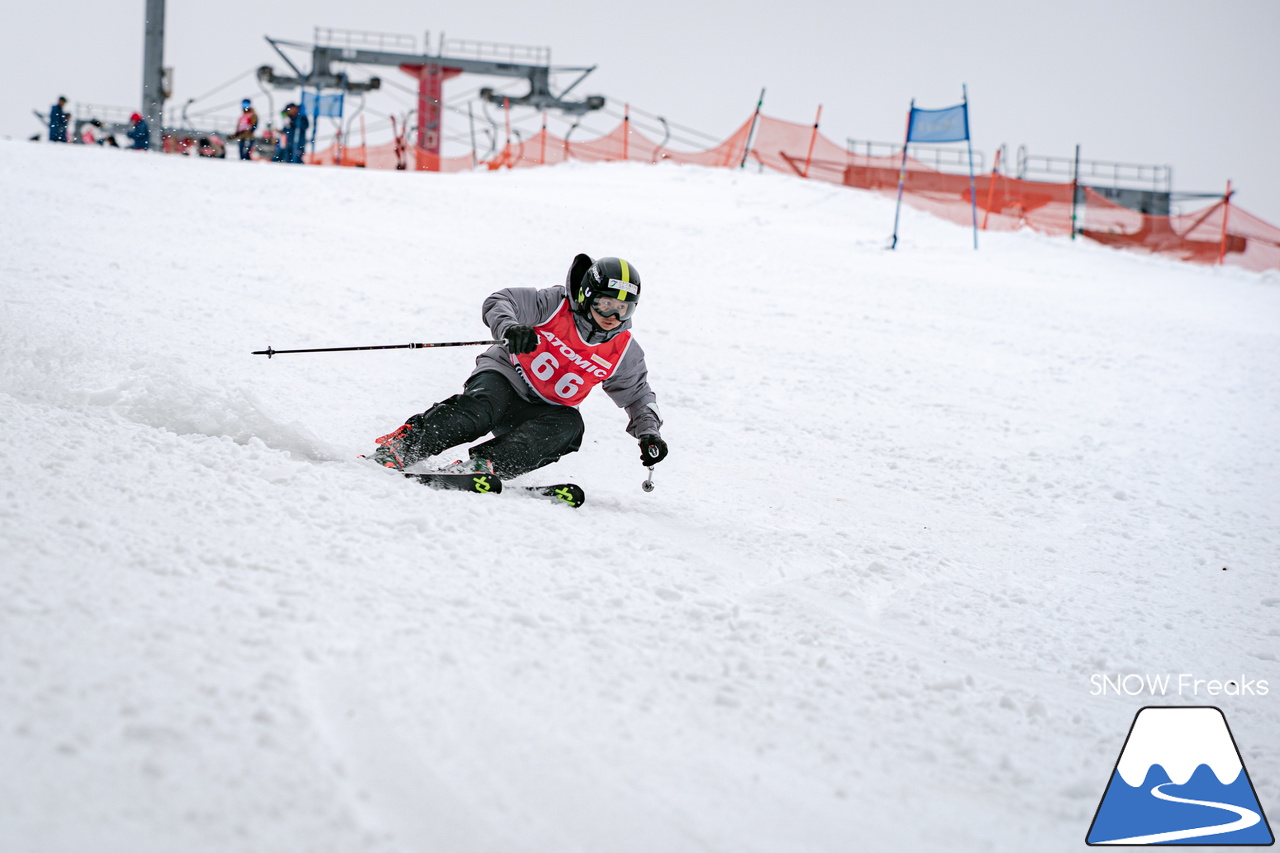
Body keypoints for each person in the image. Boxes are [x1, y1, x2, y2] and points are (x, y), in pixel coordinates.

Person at [370, 254, 668, 481]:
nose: (613, 316)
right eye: (606, 304)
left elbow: (638, 396)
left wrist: (649, 434)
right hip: (505, 378)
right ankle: (405, 446)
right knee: (480, 411)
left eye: (623, 309)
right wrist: (510, 328)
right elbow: (500, 300)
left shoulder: (624, 350)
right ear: (587, 295)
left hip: (543, 409)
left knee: (571, 427)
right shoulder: (554, 304)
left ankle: (487, 466)